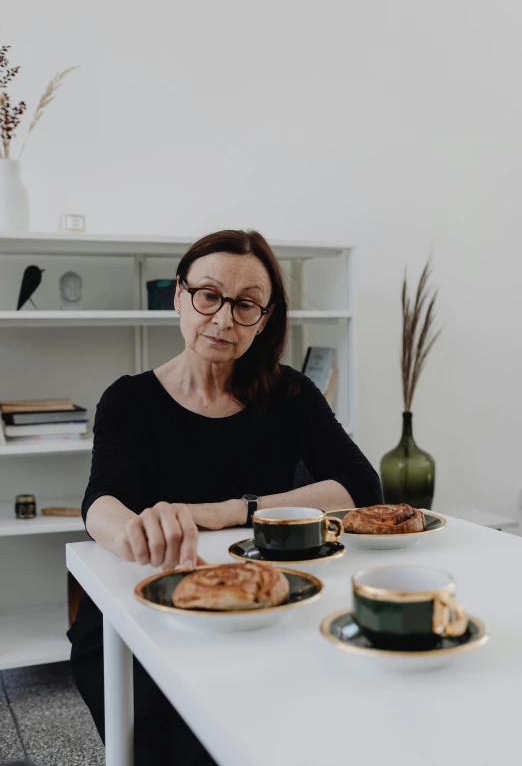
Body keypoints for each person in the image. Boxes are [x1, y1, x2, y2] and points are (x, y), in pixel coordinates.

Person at [67, 229, 383, 765]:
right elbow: (102, 501)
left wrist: (230, 511)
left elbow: (361, 487)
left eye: (245, 305)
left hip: (266, 601)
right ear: (179, 296)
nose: (223, 319)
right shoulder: (129, 399)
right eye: (208, 295)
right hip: (154, 605)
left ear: (264, 318)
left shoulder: (289, 394)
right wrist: (133, 531)